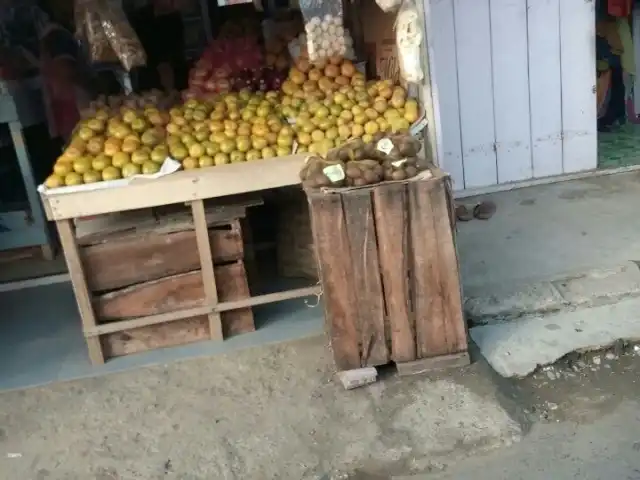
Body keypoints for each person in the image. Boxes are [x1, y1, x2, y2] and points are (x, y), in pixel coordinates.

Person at [0, 0, 90, 140]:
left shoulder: (51, 36)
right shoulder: (57, 37)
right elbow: (64, 75)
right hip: (72, 110)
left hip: (62, 109)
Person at [127, 0, 187, 92]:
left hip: (167, 83)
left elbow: (167, 63)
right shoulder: (141, 18)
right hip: (152, 83)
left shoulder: (173, 19)